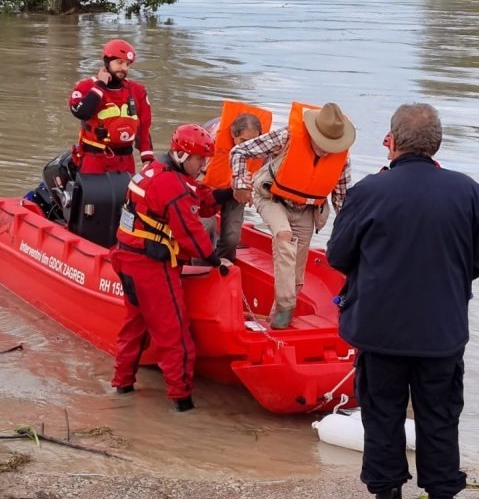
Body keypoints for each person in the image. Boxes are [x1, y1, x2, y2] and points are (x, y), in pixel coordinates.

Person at [327, 104, 479, 499]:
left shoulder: (369, 191)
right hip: (441, 330)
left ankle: (387, 491)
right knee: (439, 416)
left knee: (382, 413)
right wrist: (450, 277)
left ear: (395, 140)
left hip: (379, 328)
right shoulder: (468, 191)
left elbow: (338, 254)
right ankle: (441, 491)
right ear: (435, 144)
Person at [109, 124, 233, 412]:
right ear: (181, 155)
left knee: (135, 327)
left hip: (126, 258)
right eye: (200, 159)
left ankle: (122, 384)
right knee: (175, 335)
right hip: (150, 266)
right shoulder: (171, 185)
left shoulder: (155, 171)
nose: (203, 165)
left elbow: (198, 199)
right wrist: (215, 259)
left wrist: (225, 195)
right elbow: (191, 234)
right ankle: (182, 403)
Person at [230, 101, 355, 329]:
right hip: (271, 198)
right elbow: (239, 151)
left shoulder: (342, 158)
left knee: (297, 273)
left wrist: (351, 234)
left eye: (331, 145)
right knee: (284, 235)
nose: (326, 149)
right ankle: (286, 306)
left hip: (306, 209)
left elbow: (342, 200)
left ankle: (278, 321)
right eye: (322, 142)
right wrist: (240, 184)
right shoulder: (287, 137)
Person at [68, 39, 154, 174]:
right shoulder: (86, 87)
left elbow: (143, 128)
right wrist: (100, 85)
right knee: (92, 195)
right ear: (107, 61)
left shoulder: (138, 91)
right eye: (119, 62)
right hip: (94, 159)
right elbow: (82, 112)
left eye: (127, 64)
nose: (124, 68)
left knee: (127, 195)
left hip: (125, 162)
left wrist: (147, 159)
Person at [201, 102, 271, 261]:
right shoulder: (210, 140)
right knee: (205, 230)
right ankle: (199, 268)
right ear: (233, 134)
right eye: (243, 141)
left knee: (232, 238)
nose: (248, 147)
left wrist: (254, 191)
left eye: (253, 142)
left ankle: (223, 267)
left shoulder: (264, 148)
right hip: (207, 189)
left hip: (237, 192)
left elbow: (263, 178)